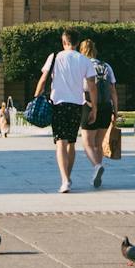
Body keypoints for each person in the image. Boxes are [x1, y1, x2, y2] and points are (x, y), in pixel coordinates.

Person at [32, 29, 98, 193]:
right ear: (77, 42)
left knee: (60, 142)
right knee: (71, 143)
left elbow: (43, 79)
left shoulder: (54, 57)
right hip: (76, 105)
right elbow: (92, 86)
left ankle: (64, 180)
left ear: (64, 41)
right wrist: (94, 107)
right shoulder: (84, 60)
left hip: (58, 104)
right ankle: (67, 178)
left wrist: (35, 99)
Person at [79, 39, 119, 188]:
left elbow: (81, 89)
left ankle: (97, 167)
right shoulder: (106, 66)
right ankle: (97, 169)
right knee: (99, 144)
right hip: (106, 108)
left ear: (82, 51)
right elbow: (113, 91)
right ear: (95, 50)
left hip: (89, 106)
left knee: (87, 144)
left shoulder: (84, 66)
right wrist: (115, 111)